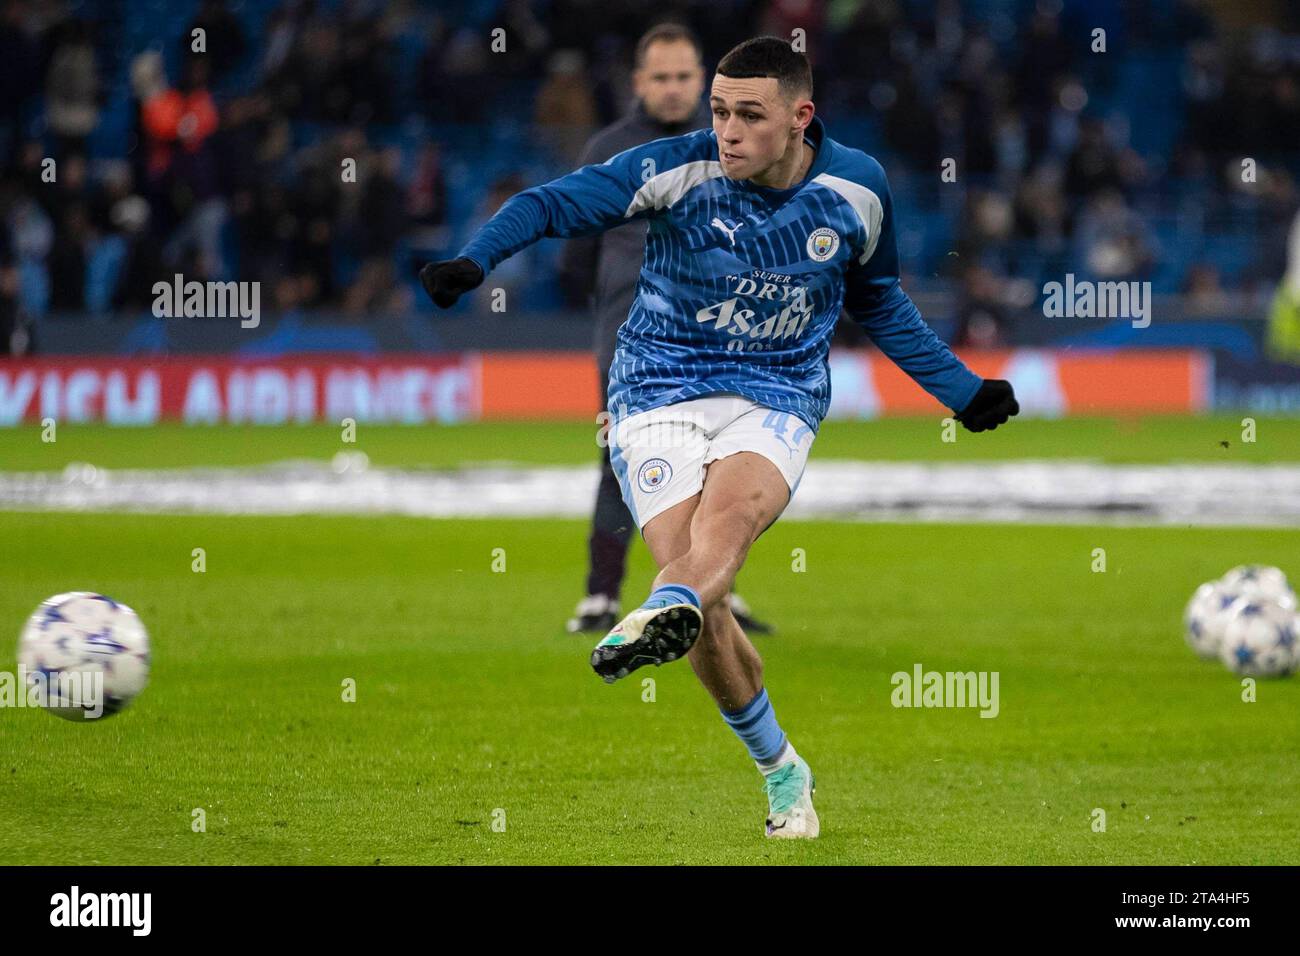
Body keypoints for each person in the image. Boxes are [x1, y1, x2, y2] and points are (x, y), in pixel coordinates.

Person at [420, 36, 1018, 839]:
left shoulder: (857, 189)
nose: (727, 131)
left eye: (749, 115)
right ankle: (780, 766)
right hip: (657, 388)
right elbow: (552, 203)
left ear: (801, 117)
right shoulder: (676, 167)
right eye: (719, 112)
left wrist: (962, 391)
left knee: (722, 528)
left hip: (778, 393)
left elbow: (877, 300)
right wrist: (474, 259)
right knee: (703, 595)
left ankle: (666, 605)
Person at [557, 23, 774, 636]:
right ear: (637, 82)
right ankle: (600, 597)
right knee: (622, 458)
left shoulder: (735, 146)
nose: (675, 88)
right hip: (633, 339)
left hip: (724, 337)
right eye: (662, 77)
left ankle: (713, 592)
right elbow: (575, 255)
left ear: (702, 78)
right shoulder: (609, 151)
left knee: (725, 463)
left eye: (684, 76)